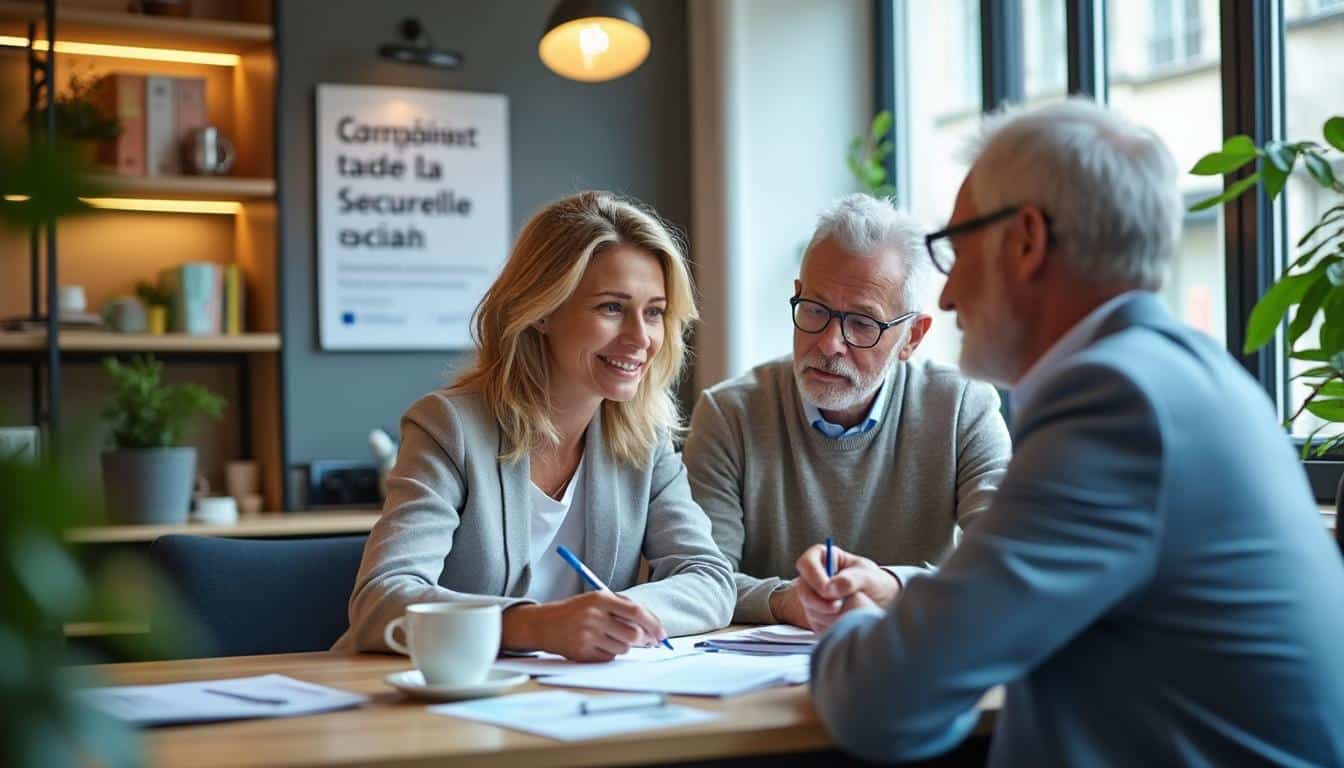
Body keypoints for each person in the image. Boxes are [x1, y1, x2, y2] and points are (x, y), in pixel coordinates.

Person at [807, 98, 1344, 765]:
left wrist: (848, 623)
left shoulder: (1114, 406)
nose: (944, 299)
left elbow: (879, 703)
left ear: (1027, 241)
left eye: (958, 248)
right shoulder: (1191, 375)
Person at [335, 191, 735, 662]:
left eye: (654, 312)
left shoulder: (646, 441)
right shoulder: (450, 428)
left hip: (573, 705)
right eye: (611, 307)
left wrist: (616, 616)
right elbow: (381, 601)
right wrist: (533, 625)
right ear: (543, 309)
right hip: (440, 702)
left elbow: (710, 578)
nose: (640, 338)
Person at [683, 194, 1010, 628]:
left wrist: (892, 587)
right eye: (815, 310)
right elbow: (701, 579)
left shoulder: (962, 407)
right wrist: (786, 600)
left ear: (912, 336)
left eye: (861, 322)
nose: (829, 343)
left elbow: (1004, 560)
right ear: (797, 296)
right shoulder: (730, 415)